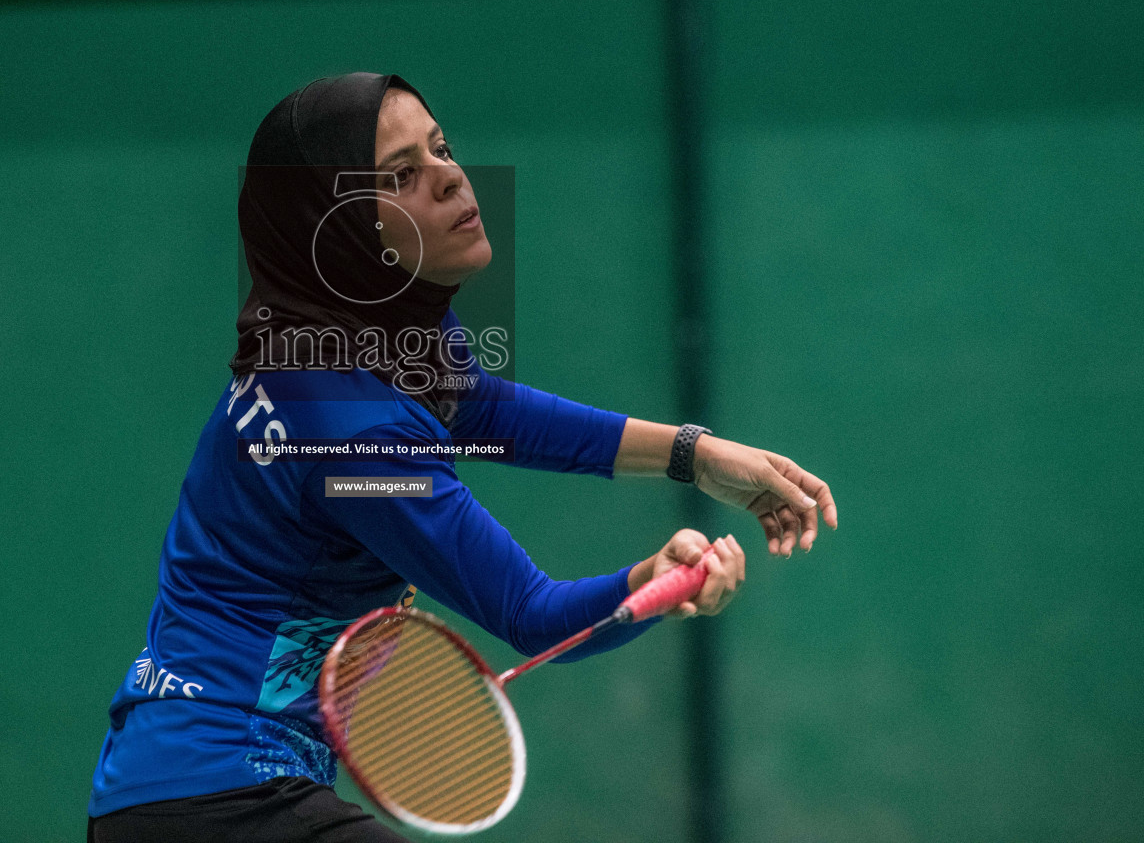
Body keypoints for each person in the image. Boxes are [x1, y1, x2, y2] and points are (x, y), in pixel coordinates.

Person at [86, 73, 837, 843]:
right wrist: (646, 586)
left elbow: (480, 408)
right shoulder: (357, 433)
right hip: (219, 801)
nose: (450, 178)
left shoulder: (350, 340)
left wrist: (695, 454)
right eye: (400, 176)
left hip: (177, 786)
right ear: (336, 227)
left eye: (441, 149)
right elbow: (533, 616)